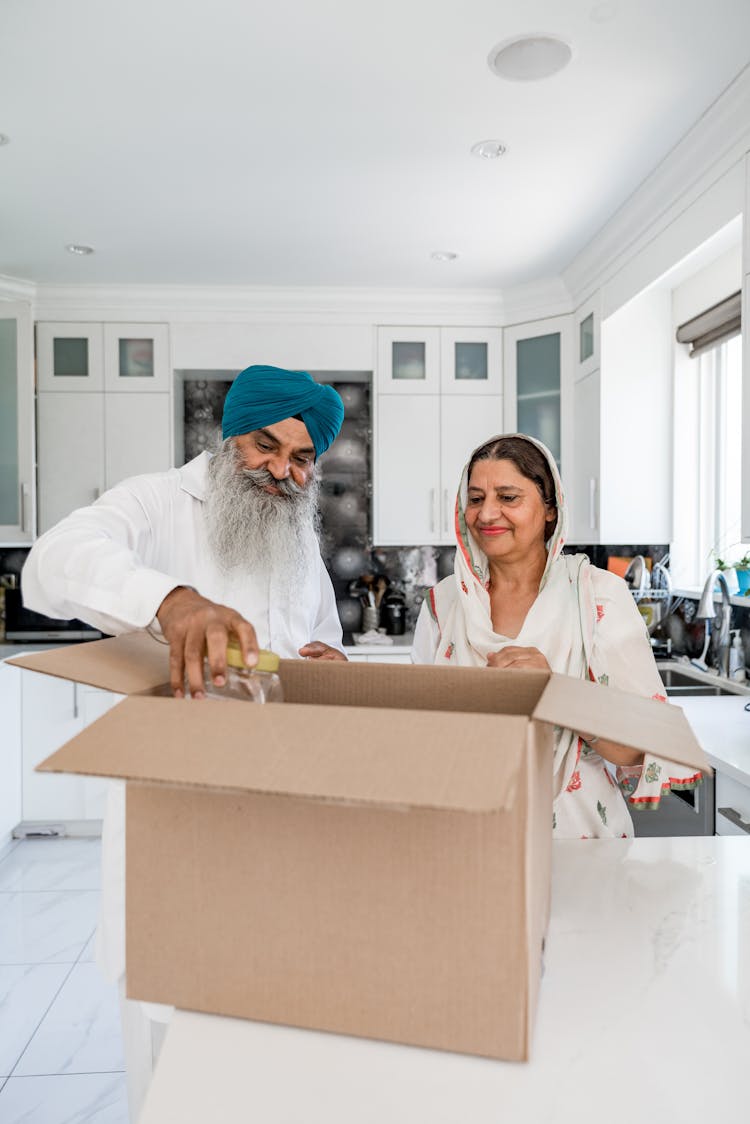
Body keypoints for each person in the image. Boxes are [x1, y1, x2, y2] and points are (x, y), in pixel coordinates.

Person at [22, 362, 348, 1120]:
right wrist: (169, 600)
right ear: (229, 434)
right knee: (178, 1067)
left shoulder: (299, 540)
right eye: (266, 447)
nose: (281, 471)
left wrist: (328, 668)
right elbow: (52, 564)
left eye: (301, 459)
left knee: (275, 1048)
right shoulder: (154, 502)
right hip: (178, 831)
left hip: (283, 826)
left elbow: (317, 647)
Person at [412, 432, 702, 839]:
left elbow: (638, 747)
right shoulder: (445, 603)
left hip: (581, 843)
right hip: (468, 839)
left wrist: (556, 692)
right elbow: (418, 736)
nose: (486, 514)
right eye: (475, 498)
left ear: (551, 509)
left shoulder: (598, 596)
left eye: (508, 497)